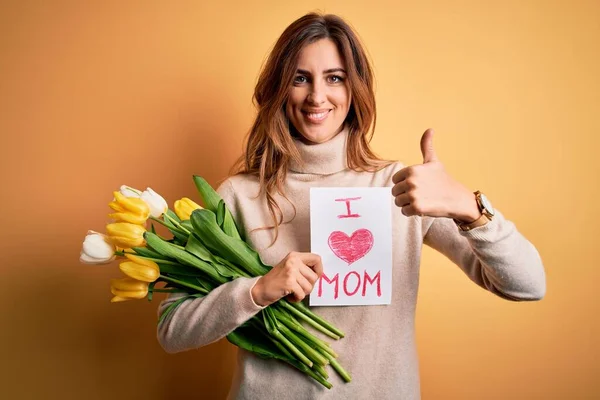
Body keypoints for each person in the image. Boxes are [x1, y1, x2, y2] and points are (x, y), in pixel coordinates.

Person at [157, 12, 546, 400]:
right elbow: (171, 330)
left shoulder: (401, 187)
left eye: (334, 77)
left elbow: (528, 285)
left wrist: (468, 207)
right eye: (300, 78)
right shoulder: (237, 196)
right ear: (279, 88)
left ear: (354, 89)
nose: (316, 96)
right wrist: (258, 290)